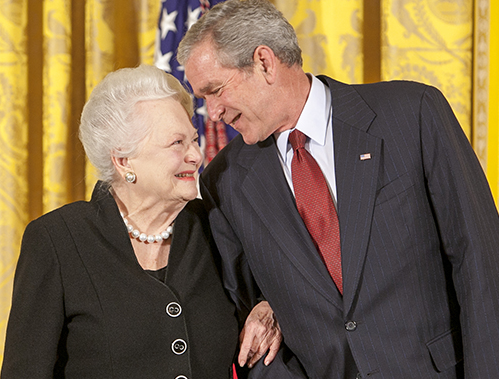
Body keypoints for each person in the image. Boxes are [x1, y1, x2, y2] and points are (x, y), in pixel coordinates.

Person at [177, 0, 499, 378]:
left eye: (215, 90)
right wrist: (269, 309)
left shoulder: (412, 114)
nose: (212, 112)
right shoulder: (224, 179)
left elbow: (480, 261)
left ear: (264, 62)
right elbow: (242, 319)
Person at [1, 64, 281, 379]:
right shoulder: (56, 240)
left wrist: (269, 309)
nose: (195, 156)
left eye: (192, 140)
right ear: (123, 160)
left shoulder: (215, 224)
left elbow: (286, 288)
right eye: (177, 143)